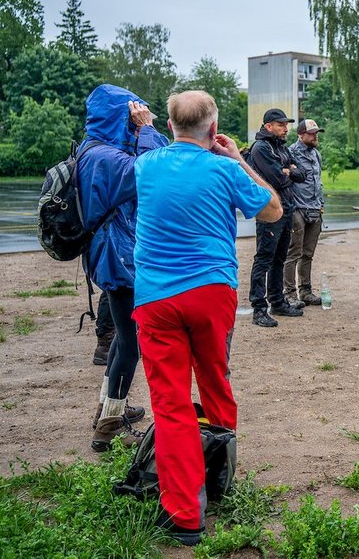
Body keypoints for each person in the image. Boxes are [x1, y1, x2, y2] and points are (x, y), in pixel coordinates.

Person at [133, 90, 281, 545]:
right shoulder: (224, 168)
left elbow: (155, 148)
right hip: (212, 292)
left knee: (172, 402)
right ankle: (220, 478)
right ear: (215, 131)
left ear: (171, 129)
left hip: (156, 298)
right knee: (215, 377)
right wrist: (238, 157)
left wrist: (142, 128)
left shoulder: (145, 166)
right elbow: (273, 209)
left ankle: (184, 515)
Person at [78, 84, 167, 452]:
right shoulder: (104, 157)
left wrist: (145, 129)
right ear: (120, 116)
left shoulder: (97, 149)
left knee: (122, 340)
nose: (137, 126)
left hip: (117, 255)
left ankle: (108, 408)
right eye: (132, 118)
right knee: (131, 345)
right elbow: (155, 169)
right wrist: (146, 129)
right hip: (119, 258)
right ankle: (108, 427)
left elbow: (162, 157)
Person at [247, 108, 306, 327]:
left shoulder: (280, 147)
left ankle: (278, 302)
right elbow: (277, 179)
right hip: (269, 209)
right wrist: (288, 171)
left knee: (280, 257)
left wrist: (289, 170)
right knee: (264, 258)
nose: (285, 129)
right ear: (268, 126)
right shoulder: (261, 148)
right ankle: (259, 308)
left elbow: (301, 174)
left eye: (286, 125)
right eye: (281, 125)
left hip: (287, 207)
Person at [285, 119, 325, 308]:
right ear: (301, 135)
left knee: (308, 254)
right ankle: (290, 294)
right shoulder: (290, 153)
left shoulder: (316, 154)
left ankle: (306, 291)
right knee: (294, 253)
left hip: (315, 209)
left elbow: (319, 181)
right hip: (298, 209)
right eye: (311, 133)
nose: (315, 136)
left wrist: (321, 204)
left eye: (316, 133)